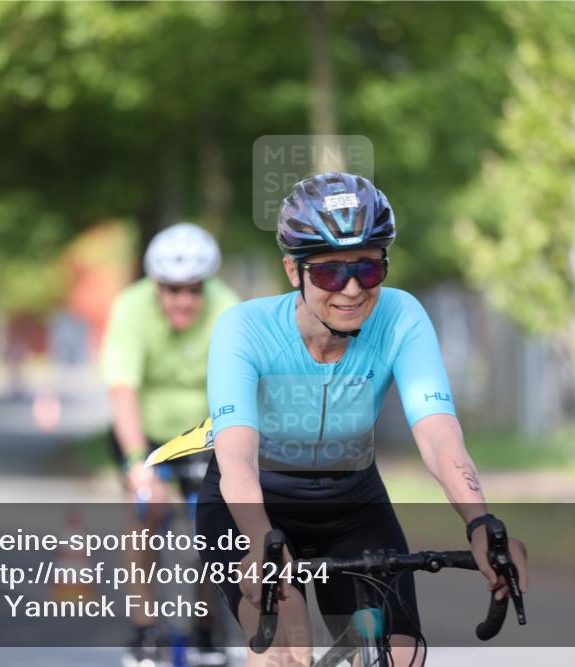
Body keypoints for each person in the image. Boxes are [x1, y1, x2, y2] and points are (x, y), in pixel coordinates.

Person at [196, 172, 529, 666]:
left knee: (402, 655)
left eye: (369, 270)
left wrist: (480, 523)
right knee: (287, 645)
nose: (352, 290)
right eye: (331, 273)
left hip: (352, 506)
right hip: (254, 507)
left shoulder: (402, 316)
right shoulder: (244, 329)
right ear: (294, 271)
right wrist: (259, 542)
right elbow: (237, 460)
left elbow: (439, 436)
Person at [99, 222, 239, 666]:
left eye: (194, 290)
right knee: (146, 513)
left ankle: (206, 627)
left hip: (208, 433)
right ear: (156, 286)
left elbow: (238, 389)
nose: (183, 300)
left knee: (216, 526)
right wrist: (139, 462)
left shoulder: (227, 308)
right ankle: (144, 629)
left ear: (207, 286)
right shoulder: (131, 307)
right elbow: (123, 389)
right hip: (147, 433)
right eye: (173, 289)